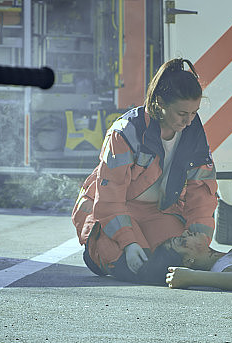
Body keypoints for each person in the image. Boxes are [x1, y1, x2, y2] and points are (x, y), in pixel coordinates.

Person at [72, 58, 218, 285]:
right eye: (182, 114)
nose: (189, 121)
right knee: (142, 271)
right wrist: (129, 243)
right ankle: (96, 251)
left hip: (157, 211)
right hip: (110, 209)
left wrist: (199, 245)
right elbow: (110, 200)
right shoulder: (125, 132)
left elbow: (202, 195)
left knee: (174, 263)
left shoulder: (193, 132)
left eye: (194, 113)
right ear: (160, 102)